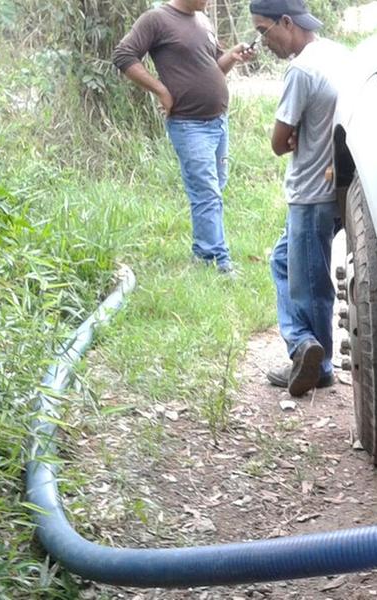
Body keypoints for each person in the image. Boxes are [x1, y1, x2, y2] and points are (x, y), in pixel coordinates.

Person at [250, 0, 350, 396]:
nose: (264, 41)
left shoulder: (301, 69)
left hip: (310, 190)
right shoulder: (338, 54)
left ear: (286, 22)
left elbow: (278, 141)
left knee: (310, 281)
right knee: (285, 260)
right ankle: (305, 345)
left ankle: (313, 356)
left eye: (263, 31)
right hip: (338, 181)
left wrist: (290, 134)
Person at [112, 0, 255, 275]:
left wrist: (233, 56)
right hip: (189, 124)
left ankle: (203, 253)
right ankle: (218, 261)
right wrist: (160, 90)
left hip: (218, 121)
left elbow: (213, 67)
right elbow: (123, 55)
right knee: (207, 192)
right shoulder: (156, 19)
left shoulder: (202, 20)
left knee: (213, 188)